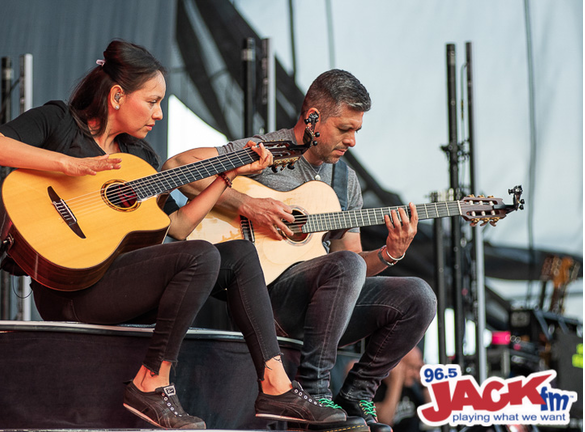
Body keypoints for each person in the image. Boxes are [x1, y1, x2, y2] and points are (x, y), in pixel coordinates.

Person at [0, 40, 345, 429]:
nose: (160, 113)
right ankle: (151, 383)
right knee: (201, 256)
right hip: (69, 290)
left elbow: (180, 228)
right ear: (118, 96)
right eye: (152, 101)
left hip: (117, 286)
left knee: (234, 255)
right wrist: (71, 166)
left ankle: (276, 385)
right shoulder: (60, 121)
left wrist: (226, 175)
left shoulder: (141, 159)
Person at [164, 69, 438, 432]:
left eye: (357, 130)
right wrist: (248, 204)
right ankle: (313, 389)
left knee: (420, 296)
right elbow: (177, 167)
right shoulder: (268, 149)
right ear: (313, 118)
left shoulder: (344, 180)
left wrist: (390, 253)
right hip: (267, 296)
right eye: (344, 129)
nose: (353, 141)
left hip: (323, 303)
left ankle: (356, 393)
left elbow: (352, 261)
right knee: (343, 267)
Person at [374, 347, 430, 432]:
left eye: (417, 368)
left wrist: (424, 385)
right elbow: (385, 420)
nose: (415, 374)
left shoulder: (411, 389)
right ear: (396, 365)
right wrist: (396, 381)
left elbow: (430, 414)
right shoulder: (376, 388)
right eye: (411, 367)